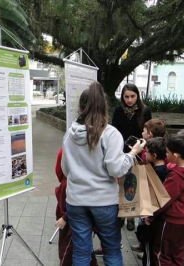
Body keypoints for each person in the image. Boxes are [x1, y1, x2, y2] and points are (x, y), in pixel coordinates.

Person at [61, 81, 146, 266]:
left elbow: (65, 170)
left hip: (76, 201)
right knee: (111, 250)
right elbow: (115, 169)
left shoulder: (69, 134)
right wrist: (132, 154)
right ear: (104, 106)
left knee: (81, 252)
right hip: (105, 202)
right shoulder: (110, 134)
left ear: (81, 107)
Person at [145, 135, 184, 266]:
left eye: (167, 152)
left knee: (163, 254)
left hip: (172, 220)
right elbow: (174, 165)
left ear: (176, 155)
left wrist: (151, 214)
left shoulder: (176, 177)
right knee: (178, 253)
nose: (166, 155)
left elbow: (164, 200)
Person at [112, 83, 152, 231]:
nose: (129, 100)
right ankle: (122, 214)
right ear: (122, 97)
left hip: (139, 151)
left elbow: (148, 130)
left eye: (132, 96)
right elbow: (114, 130)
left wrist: (142, 147)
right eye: (126, 96)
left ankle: (130, 216)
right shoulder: (118, 110)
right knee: (122, 182)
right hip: (121, 150)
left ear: (137, 96)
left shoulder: (144, 110)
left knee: (133, 183)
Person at [54, 148, 98, 266]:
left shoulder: (65, 150)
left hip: (72, 210)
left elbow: (59, 172)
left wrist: (65, 217)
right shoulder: (92, 150)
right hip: (76, 207)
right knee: (82, 244)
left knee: (69, 246)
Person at [131, 137, 168, 264]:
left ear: (154, 155)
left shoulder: (157, 172)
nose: (145, 154)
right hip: (159, 216)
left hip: (151, 214)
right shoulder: (166, 169)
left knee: (149, 248)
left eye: (146, 152)